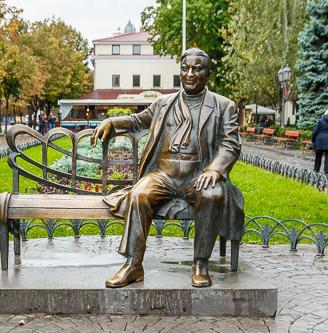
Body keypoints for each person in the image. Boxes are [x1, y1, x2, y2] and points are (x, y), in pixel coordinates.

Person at [90, 47, 244, 289]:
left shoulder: (224, 106)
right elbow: (137, 121)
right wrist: (111, 121)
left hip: (198, 175)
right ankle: (133, 265)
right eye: (185, 68)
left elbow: (230, 143)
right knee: (139, 194)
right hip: (164, 174)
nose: (190, 73)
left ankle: (200, 263)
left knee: (213, 194)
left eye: (197, 68)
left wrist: (215, 169)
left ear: (208, 74)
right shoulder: (163, 103)